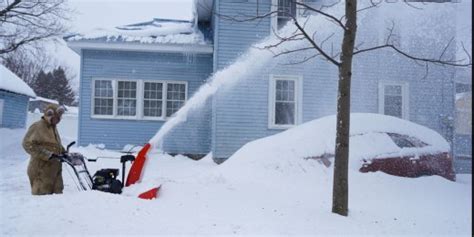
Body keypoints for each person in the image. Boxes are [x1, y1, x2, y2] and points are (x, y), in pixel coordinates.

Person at [23, 104, 66, 195]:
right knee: (42, 198)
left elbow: (54, 145)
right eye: (56, 118)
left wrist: (64, 152)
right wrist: (46, 154)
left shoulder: (53, 127)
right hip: (41, 169)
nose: (58, 121)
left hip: (55, 169)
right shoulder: (38, 126)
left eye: (59, 118)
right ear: (49, 115)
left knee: (58, 196)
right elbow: (27, 144)